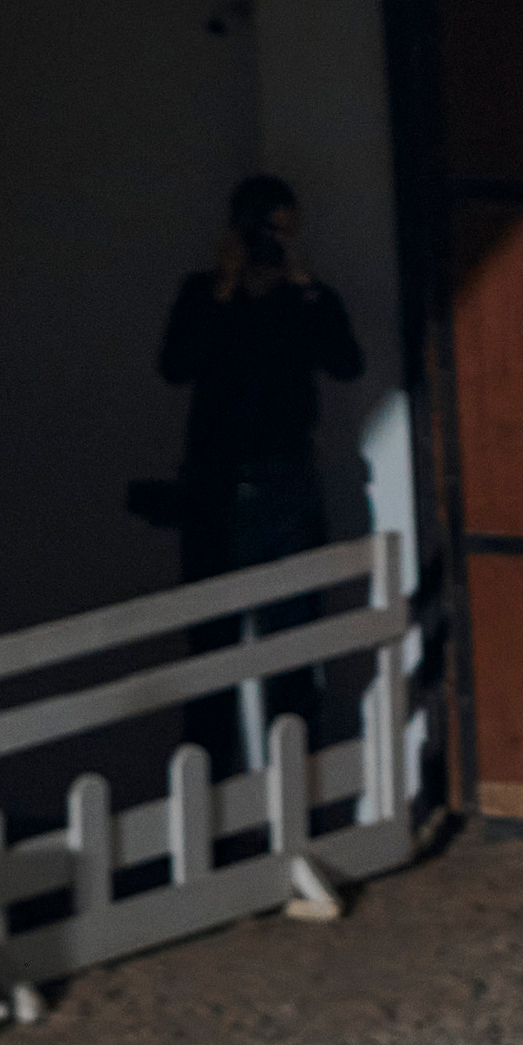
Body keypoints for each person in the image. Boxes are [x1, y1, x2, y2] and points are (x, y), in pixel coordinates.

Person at [158, 176, 363, 769]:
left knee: (297, 657)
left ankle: (300, 812)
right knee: (209, 662)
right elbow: (175, 366)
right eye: (261, 231)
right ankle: (209, 826)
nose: (269, 244)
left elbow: (346, 364)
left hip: (288, 487)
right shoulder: (202, 294)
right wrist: (223, 288)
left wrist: (304, 287)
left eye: (281, 232)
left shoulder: (308, 300)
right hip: (216, 490)